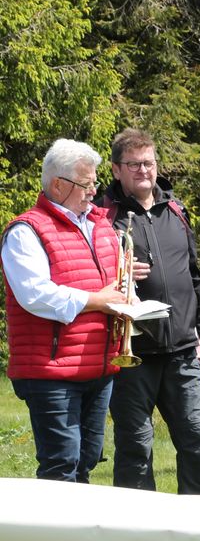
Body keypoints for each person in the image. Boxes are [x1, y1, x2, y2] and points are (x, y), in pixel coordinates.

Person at [1, 139, 129, 482]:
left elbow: (114, 280)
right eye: (86, 184)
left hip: (98, 366)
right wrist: (97, 301)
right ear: (58, 184)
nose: (93, 191)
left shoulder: (101, 226)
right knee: (61, 465)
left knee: (85, 460)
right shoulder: (25, 231)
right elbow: (34, 294)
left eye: (93, 183)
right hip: (50, 370)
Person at [100, 129, 200, 494]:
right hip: (132, 354)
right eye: (133, 165)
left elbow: (194, 274)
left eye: (148, 163)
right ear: (117, 169)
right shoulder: (104, 216)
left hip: (183, 350)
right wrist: (115, 268)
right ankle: (136, 528)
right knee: (136, 447)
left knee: (197, 440)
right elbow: (87, 276)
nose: (142, 171)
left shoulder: (176, 211)